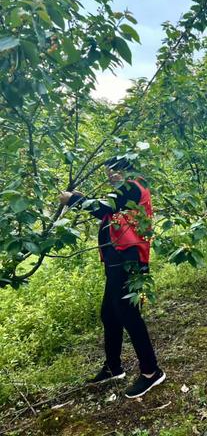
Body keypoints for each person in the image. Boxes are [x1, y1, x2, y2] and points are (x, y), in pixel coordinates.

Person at [59, 157, 165, 399]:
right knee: (109, 312)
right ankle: (113, 367)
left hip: (129, 260)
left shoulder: (133, 187)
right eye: (109, 171)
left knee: (128, 312)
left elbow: (105, 209)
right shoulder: (124, 192)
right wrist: (84, 198)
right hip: (116, 259)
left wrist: (74, 200)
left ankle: (151, 371)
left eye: (117, 170)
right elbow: (108, 211)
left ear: (129, 170)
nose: (112, 175)